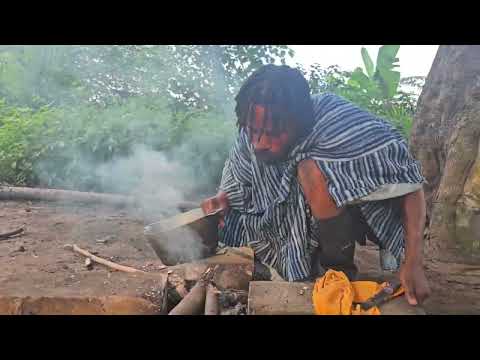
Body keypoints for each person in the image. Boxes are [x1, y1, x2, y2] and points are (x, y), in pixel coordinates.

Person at [201, 64, 430, 306]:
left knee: (310, 169)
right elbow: (237, 174)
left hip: (356, 211)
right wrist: (222, 198)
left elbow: (410, 185)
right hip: (291, 218)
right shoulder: (254, 129)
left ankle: (337, 271)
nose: (259, 143)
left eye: (272, 133)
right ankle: (301, 262)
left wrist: (412, 262)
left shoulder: (335, 122)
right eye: (253, 130)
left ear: (299, 121)